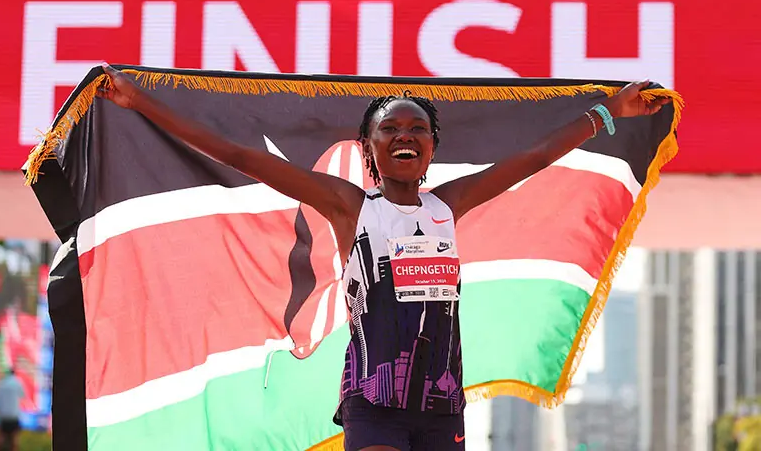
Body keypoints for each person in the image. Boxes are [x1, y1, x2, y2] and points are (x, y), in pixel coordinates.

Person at [97, 64, 669, 451]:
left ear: (431, 149)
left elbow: (537, 155)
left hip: (443, 404)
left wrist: (609, 111)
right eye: (389, 127)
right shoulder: (350, 206)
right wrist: (138, 100)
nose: (405, 133)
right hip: (376, 401)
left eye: (417, 128)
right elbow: (236, 153)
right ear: (369, 149)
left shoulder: (450, 204)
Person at [0, 369, 24, 451]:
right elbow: (22, 395)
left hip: (4, 416)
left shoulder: (2, 383)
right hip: (14, 415)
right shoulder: (17, 383)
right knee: (14, 442)